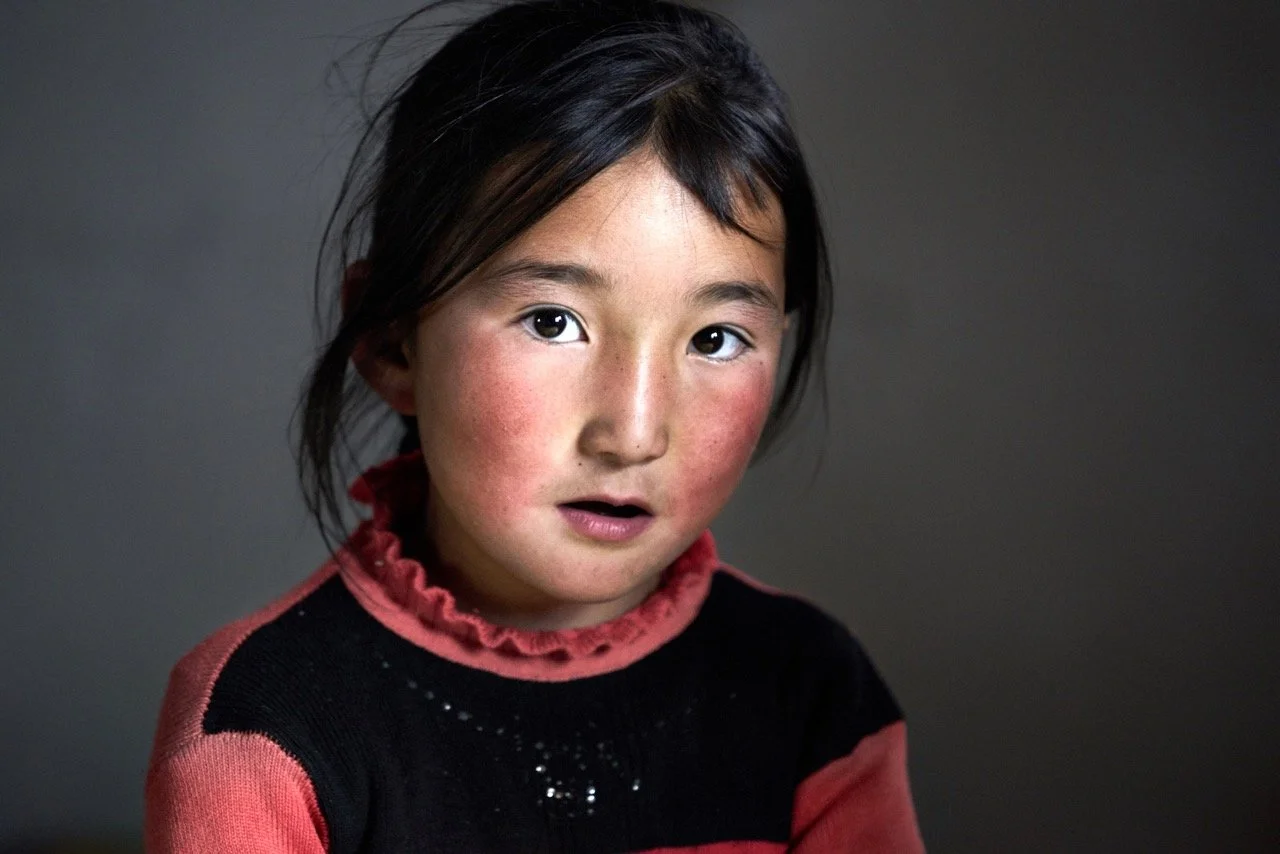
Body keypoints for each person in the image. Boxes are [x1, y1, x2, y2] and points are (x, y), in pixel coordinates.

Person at [144, 1, 926, 850]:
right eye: (553, 321)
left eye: (714, 339)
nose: (632, 433)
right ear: (392, 340)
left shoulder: (812, 695)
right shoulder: (265, 728)